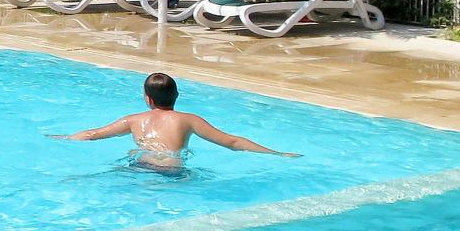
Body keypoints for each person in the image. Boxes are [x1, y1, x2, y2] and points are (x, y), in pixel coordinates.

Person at [53, 72, 297, 171]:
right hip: (173, 171)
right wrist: (277, 153)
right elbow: (231, 142)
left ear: (147, 99)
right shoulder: (189, 120)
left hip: (141, 168)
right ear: (177, 96)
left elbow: (92, 135)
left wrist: (63, 138)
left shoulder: (133, 120)